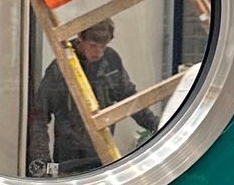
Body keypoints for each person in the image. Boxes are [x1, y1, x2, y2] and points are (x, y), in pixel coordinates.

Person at [26, 18, 161, 173]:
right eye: (93, 46)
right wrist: (41, 161)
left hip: (103, 156)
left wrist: (157, 126)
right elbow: (39, 115)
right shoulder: (60, 68)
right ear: (80, 38)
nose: (98, 52)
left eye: (103, 46)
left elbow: (130, 100)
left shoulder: (110, 61)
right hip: (69, 160)